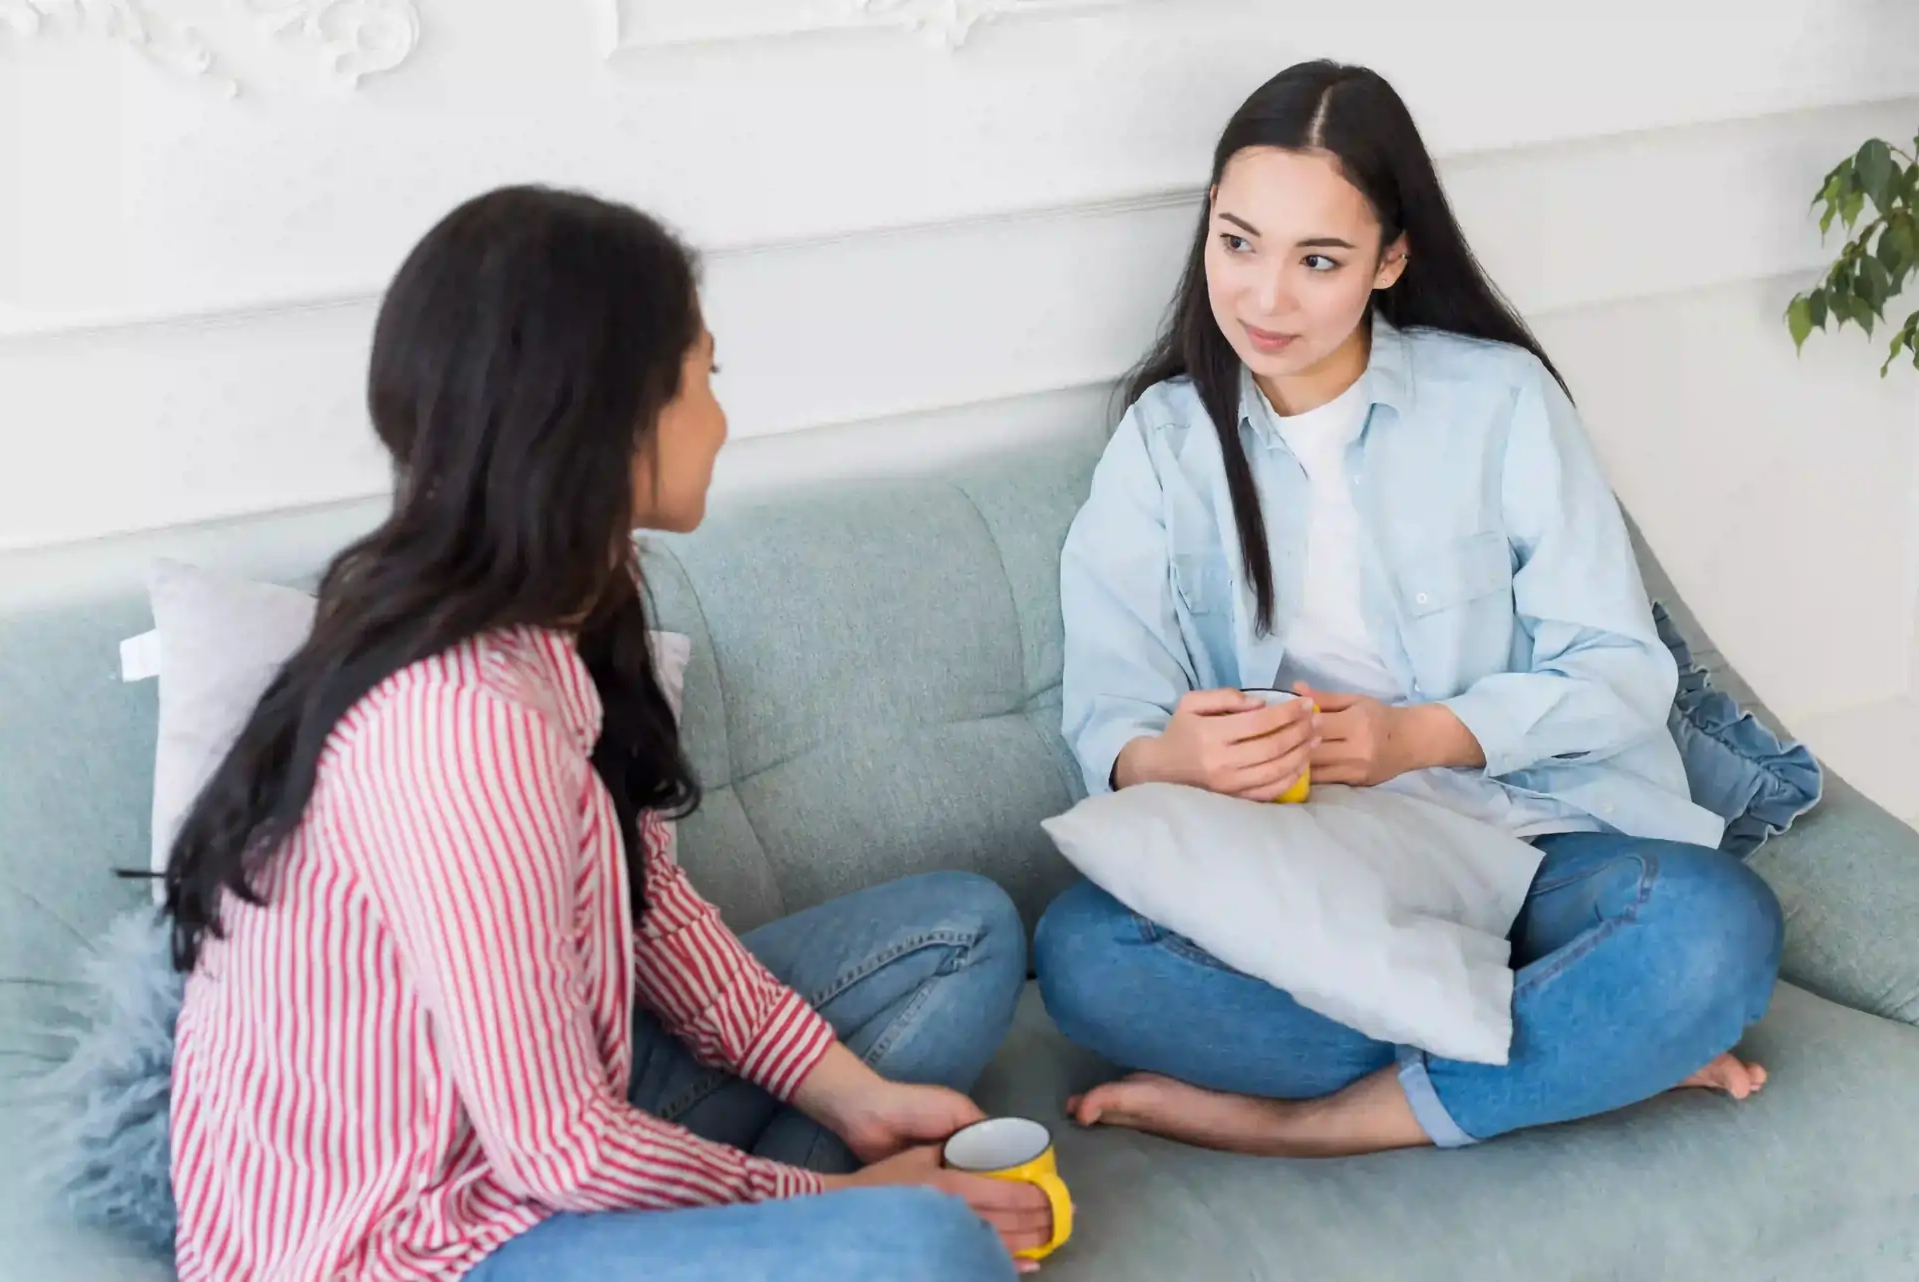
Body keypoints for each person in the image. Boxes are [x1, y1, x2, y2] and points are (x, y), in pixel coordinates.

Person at [162, 186, 1051, 1281]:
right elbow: (562, 1144)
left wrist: (853, 1099)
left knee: (962, 932)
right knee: (929, 1247)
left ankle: (773, 1228)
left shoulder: (563, 610)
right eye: (703, 379)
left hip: (529, 1145)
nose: (722, 420)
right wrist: (833, 1194)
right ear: (606, 417)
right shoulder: (462, 726)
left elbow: (648, 906)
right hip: (410, 1247)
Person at [1033, 61, 1785, 1157]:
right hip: (1325, 869)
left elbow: (1622, 669)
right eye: (1238, 242)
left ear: (1391, 258)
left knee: (1713, 932)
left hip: (1539, 842)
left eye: (1319, 260)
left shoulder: (1502, 404)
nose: (1265, 297)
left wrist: (1411, 739)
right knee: (1089, 955)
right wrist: (1175, 763)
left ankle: (1328, 1122)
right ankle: (1591, 1050)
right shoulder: (1162, 444)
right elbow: (1109, 717)